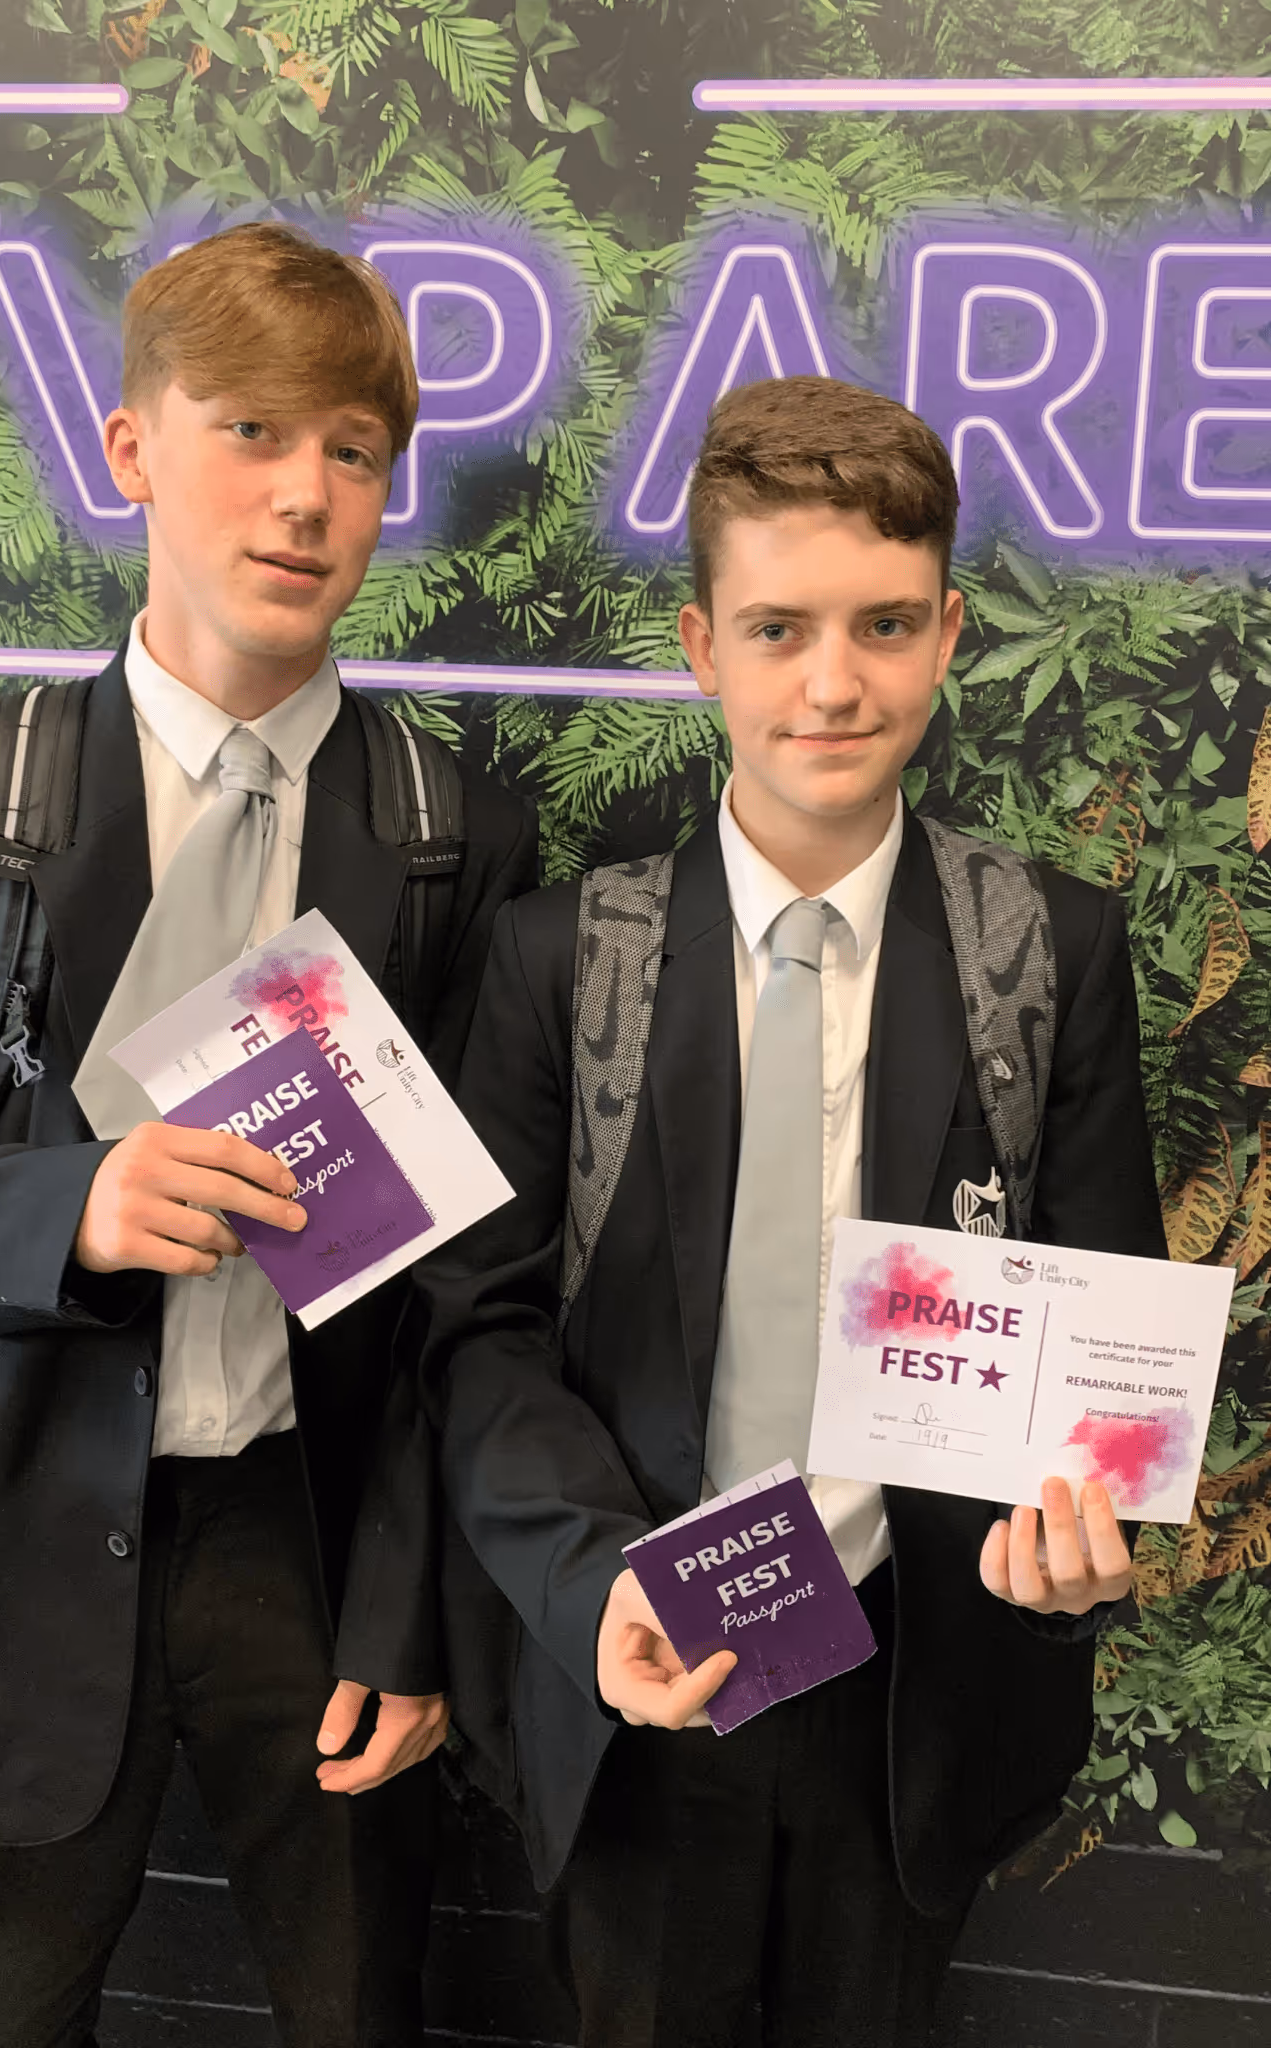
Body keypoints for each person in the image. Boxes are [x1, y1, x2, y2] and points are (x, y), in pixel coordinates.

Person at [0, 222, 535, 2048]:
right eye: (250, 430)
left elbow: (474, 1291)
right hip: (12, 1527)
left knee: (359, 2003)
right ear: (130, 449)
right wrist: (75, 1210)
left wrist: (412, 1616)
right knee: (1, 2013)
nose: (306, 494)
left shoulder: (457, 845)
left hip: (315, 1538)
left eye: (354, 449)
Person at [417, 375, 1166, 2047]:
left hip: (915, 1681)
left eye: (884, 624)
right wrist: (591, 1581)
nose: (834, 684)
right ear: (703, 648)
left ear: (949, 632)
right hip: (644, 1653)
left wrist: (1080, 1526)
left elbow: (1102, 1328)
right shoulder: (564, 959)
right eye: (778, 630)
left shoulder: (1050, 952)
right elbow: (479, 1331)